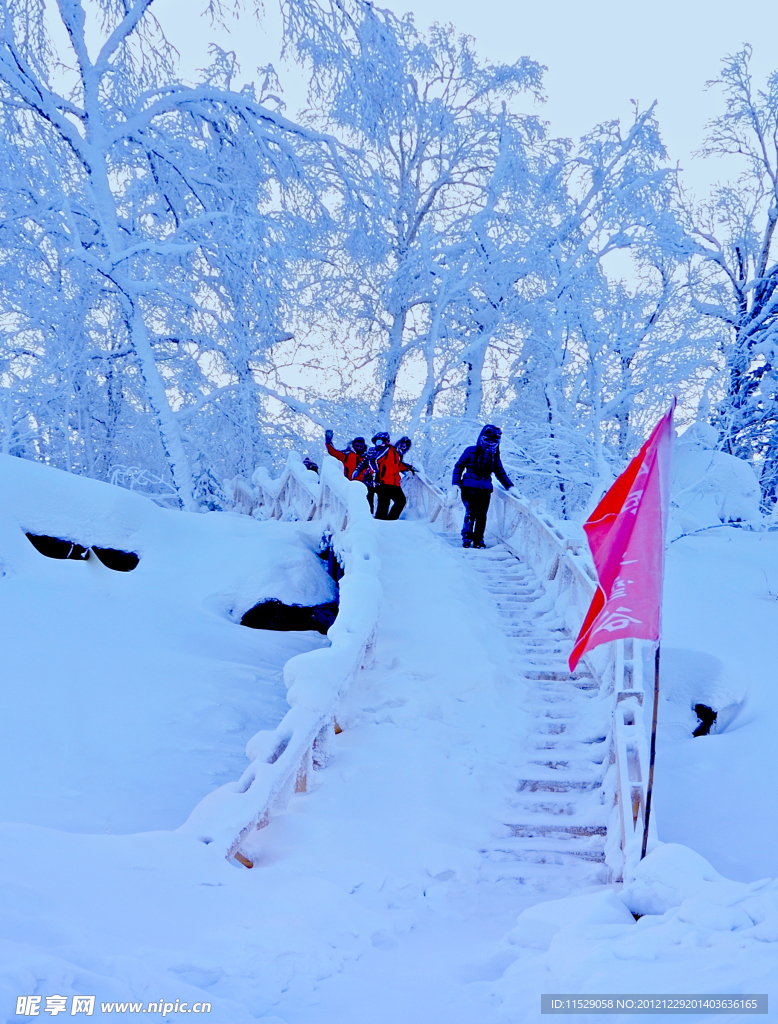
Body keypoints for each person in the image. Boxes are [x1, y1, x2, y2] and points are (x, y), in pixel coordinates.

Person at [452, 425, 513, 548]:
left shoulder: (494, 456)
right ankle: (467, 537)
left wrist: (510, 486)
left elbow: (500, 472)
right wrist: (456, 484)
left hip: (485, 489)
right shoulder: (470, 450)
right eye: (488, 440)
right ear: (482, 438)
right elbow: (459, 466)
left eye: (493, 441)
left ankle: (478, 539)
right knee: (470, 512)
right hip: (468, 487)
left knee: (481, 515)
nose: (490, 443)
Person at [370, 434, 415, 520]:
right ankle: (379, 526)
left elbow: (397, 466)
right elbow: (373, 460)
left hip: (394, 484)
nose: (403, 447)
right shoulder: (387, 449)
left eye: (405, 446)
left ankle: (391, 522)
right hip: (382, 482)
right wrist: (375, 473)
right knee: (383, 505)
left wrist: (408, 467)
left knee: (401, 501)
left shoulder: (398, 455)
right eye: (402, 444)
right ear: (398, 443)